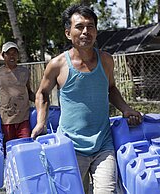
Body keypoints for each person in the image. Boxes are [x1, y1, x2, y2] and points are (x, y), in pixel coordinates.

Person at [31, 4, 142, 194]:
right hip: (69, 147)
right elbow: (42, 93)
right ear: (68, 33)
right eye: (79, 27)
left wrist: (125, 108)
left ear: (96, 32)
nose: (85, 32)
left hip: (103, 144)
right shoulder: (57, 65)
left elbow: (111, 88)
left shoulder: (106, 60)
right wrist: (41, 122)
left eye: (90, 27)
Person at [0, 41, 35, 147]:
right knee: (9, 148)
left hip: (23, 118)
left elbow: (29, 93)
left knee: (26, 146)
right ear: (3, 55)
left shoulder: (25, 72)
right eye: (9, 53)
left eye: (15, 53)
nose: (12, 56)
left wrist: (41, 102)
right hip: (6, 120)